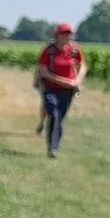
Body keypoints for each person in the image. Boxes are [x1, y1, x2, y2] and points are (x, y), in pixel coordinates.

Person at [36, 22, 86, 158]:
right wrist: (66, 82)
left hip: (68, 92)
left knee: (60, 118)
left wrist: (78, 80)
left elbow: (82, 66)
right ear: (57, 35)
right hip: (51, 89)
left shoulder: (75, 50)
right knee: (53, 114)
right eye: (64, 34)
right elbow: (43, 71)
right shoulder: (49, 51)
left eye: (69, 34)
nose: (67, 36)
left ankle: (54, 146)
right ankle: (52, 147)